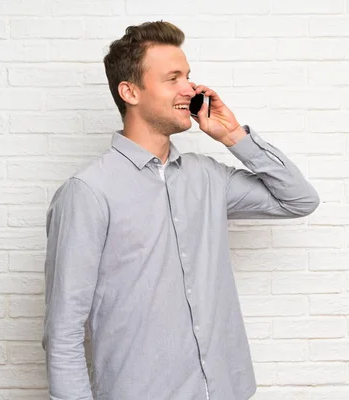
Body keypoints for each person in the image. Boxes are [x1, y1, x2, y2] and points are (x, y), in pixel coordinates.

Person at [42, 20, 319, 400]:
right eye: (173, 78)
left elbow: (298, 199)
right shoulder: (88, 192)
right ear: (130, 92)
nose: (190, 89)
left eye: (188, 76)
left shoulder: (208, 177)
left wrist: (233, 135)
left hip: (226, 390)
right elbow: (64, 330)